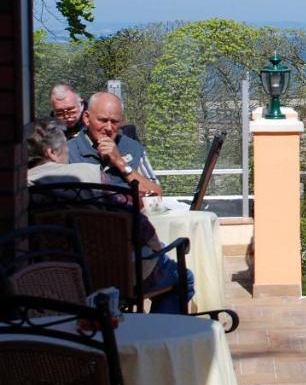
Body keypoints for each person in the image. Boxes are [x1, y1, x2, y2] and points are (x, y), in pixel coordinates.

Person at [26, 118, 194, 313]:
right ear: (52, 153)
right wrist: (156, 247)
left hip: (57, 278)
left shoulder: (24, 188)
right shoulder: (88, 176)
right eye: (65, 148)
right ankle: (159, 337)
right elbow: (131, 216)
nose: (68, 153)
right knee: (183, 277)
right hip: (113, 275)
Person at [67, 92, 162, 196]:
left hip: (126, 211)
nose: (108, 128)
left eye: (114, 122)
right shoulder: (68, 152)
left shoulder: (133, 148)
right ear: (86, 118)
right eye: (103, 120)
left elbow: (156, 194)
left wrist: (120, 163)